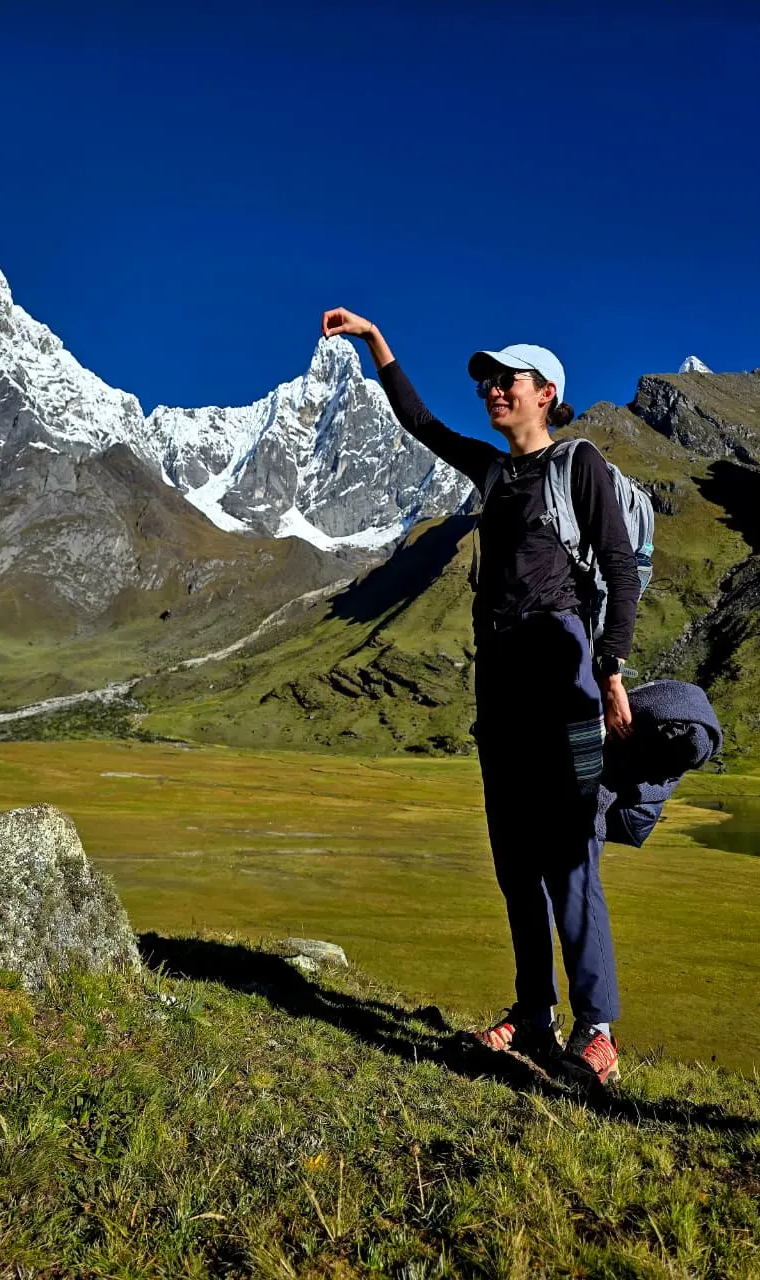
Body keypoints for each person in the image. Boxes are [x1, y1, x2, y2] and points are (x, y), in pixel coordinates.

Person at [321, 307, 642, 1085]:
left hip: (563, 674)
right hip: (499, 679)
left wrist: (610, 670)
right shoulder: (493, 472)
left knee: (569, 855)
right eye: (487, 381)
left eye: (506, 380)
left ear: (546, 393)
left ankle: (597, 1030)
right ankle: (534, 1013)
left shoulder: (579, 465)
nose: (492, 390)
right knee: (514, 857)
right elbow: (422, 424)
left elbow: (620, 568)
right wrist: (375, 341)